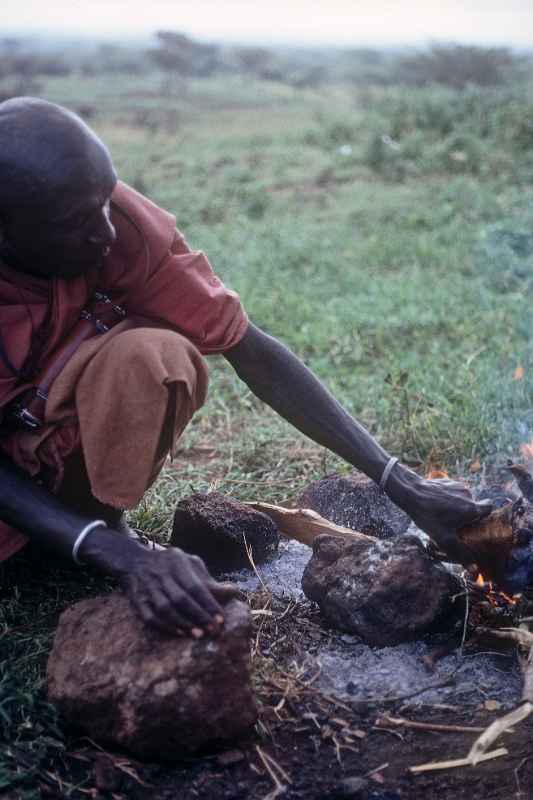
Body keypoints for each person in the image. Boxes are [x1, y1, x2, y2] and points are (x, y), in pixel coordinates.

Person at [0, 97, 491, 637]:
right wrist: (114, 555)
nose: (107, 232)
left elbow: (252, 350)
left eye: (105, 199)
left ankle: (92, 522)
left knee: (153, 355)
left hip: (42, 424)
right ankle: (84, 542)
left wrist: (399, 480)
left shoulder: (118, 226)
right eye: (77, 221)